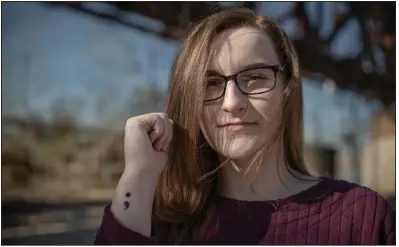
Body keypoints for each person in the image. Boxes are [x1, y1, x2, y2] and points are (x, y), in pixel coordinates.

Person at [94, 8, 395, 245]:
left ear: (287, 90)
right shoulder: (159, 224)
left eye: (255, 78)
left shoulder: (363, 217)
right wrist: (139, 175)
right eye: (210, 83)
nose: (231, 102)